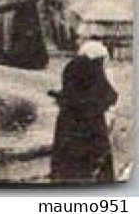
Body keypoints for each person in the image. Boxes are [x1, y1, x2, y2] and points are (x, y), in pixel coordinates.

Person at [50, 40, 119, 182]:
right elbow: (110, 95)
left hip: (68, 123)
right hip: (91, 124)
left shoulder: (71, 67)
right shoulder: (94, 69)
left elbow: (69, 92)